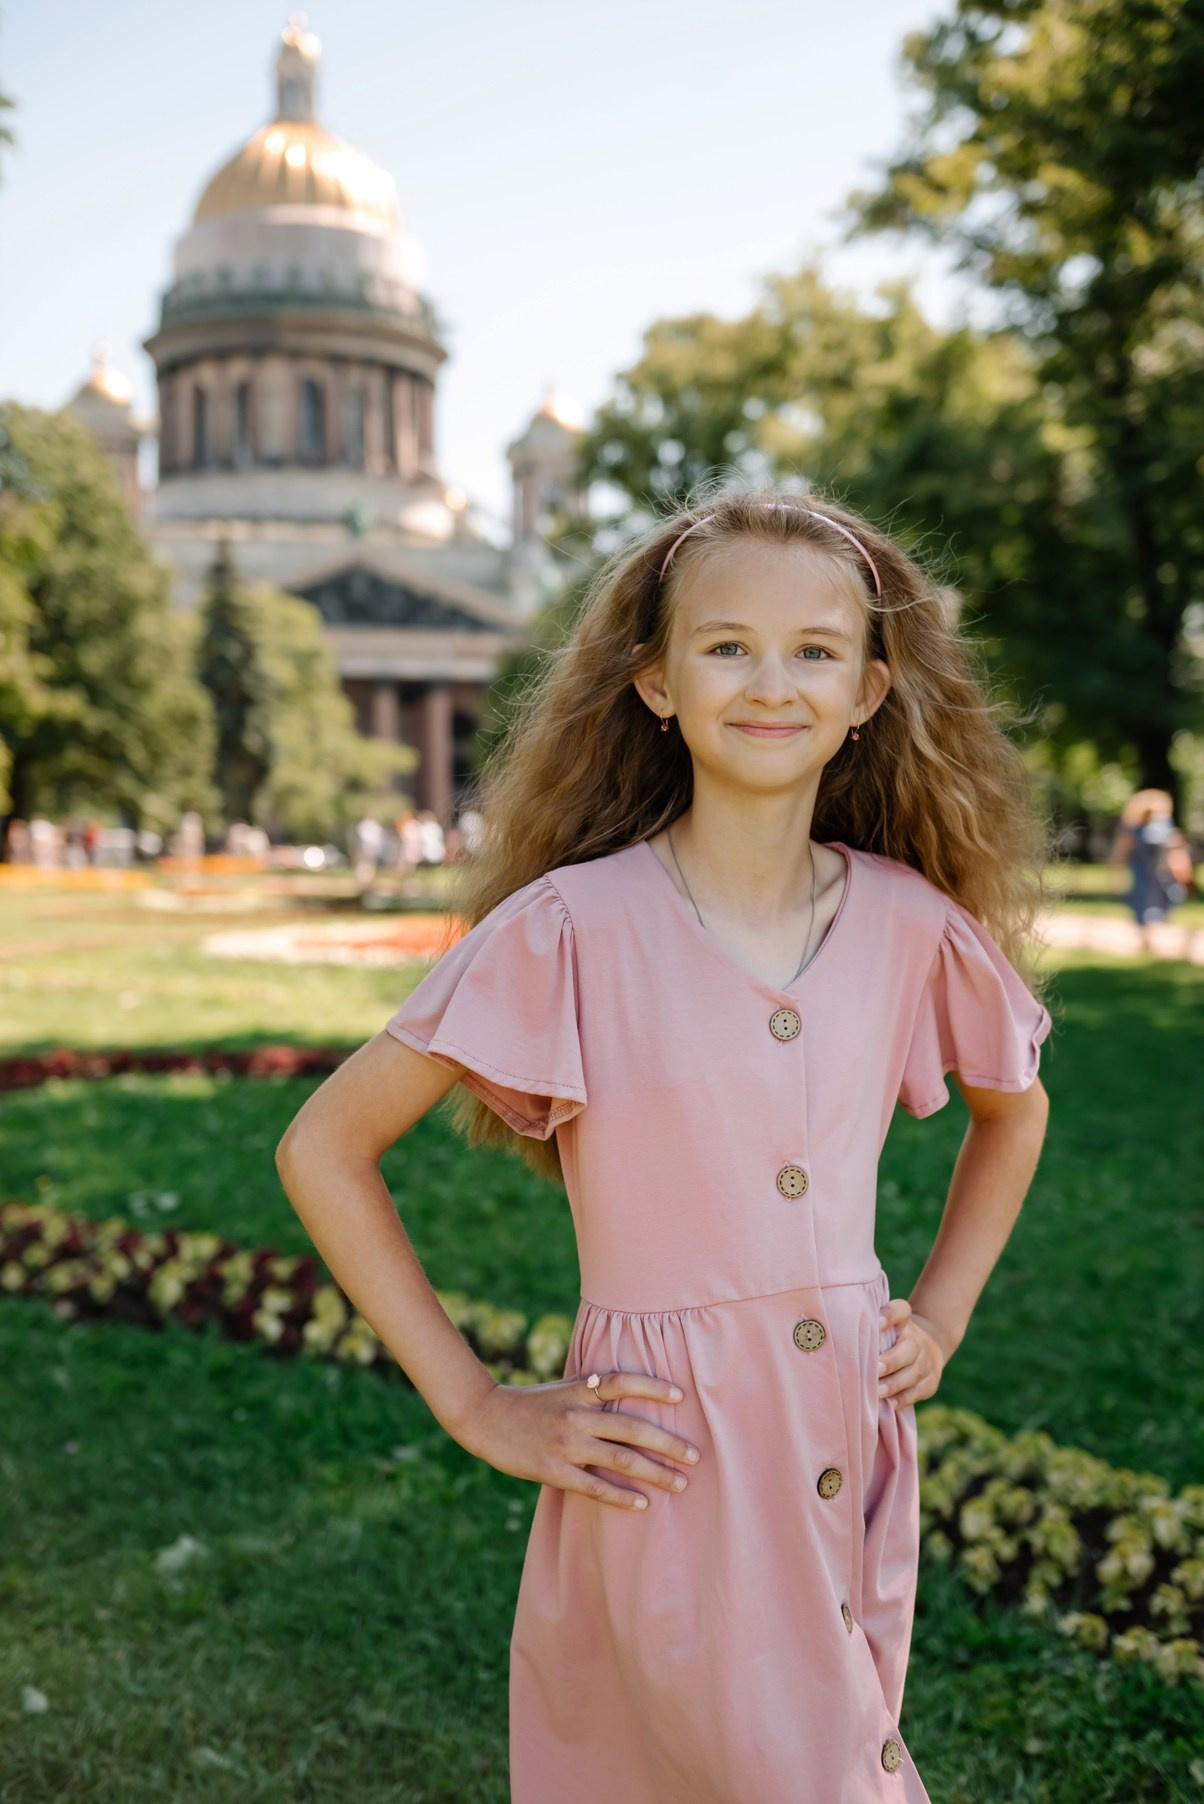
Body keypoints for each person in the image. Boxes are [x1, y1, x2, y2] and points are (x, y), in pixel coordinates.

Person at [276, 485, 1054, 1803]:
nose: (772, 681)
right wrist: (472, 1403)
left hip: (850, 1428)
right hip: (669, 1455)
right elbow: (323, 1148)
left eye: (814, 651)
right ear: (654, 680)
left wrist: (944, 1309)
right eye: (726, 644)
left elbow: (1015, 1104)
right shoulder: (570, 928)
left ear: (869, 691)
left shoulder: (913, 922)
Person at [1108, 788, 1195, 952]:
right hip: (1146, 874)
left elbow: (1174, 851)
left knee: (1159, 903)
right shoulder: (1135, 829)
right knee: (1146, 906)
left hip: (1156, 875)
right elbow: (1121, 853)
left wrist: (1182, 871)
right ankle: (1148, 941)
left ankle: (1150, 940)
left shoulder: (1160, 827)